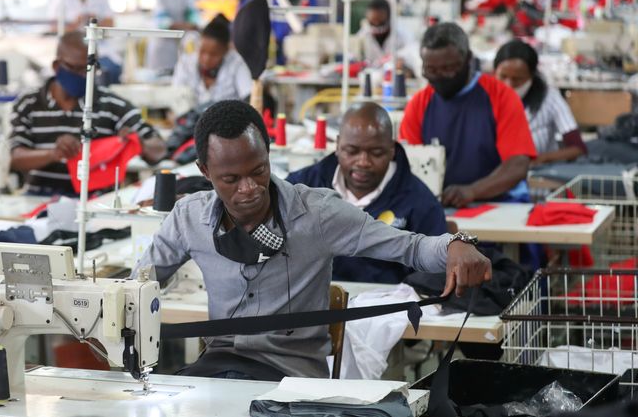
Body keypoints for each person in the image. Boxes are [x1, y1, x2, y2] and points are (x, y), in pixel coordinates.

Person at [134, 100, 491, 380]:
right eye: (230, 179)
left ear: (269, 154)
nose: (248, 189)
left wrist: (455, 244)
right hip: (219, 369)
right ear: (204, 172)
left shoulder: (317, 214)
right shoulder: (189, 218)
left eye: (258, 171)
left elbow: (409, 247)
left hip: (291, 377)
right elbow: (136, 288)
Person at [286, 103, 446, 283]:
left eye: (376, 153)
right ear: (338, 145)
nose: (363, 162)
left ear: (392, 150)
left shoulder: (421, 203)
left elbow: (432, 276)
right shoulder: (301, 187)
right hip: (312, 303)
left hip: (386, 306)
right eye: (352, 151)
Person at [9, 32, 166, 196]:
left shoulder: (112, 105)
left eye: (89, 69)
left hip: (94, 202)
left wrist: (139, 143)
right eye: (75, 68)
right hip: (40, 198)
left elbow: (160, 149)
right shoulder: (29, 103)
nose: (82, 76)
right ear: (56, 66)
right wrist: (53, 154)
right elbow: (15, 158)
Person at [399, 23, 536, 208]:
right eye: (431, 70)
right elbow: (410, 164)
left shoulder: (501, 97)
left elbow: (518, 164)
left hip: (501, 204)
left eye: (448, 68)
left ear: (468, 59)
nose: (440, 76)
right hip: (443, 206)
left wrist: (472, 191)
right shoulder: (419, 104)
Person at [494, 40, 586, 166]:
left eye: (517, 79)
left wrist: (541, 159)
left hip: (535, 180)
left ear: (531, 76)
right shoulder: (483, 98)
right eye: (503, 77)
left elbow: (577, 149)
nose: (508, 85)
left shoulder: (549, 98)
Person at [49, 0, 121, 84]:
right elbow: (53, 27)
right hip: (71, 50)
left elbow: (111, 22)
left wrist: (96, 20)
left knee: (109, 71)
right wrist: (74, 25)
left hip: (100, 49)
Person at [172, 15, 252, 106]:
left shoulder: (237, 64)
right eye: (202, 51)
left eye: (214, 55)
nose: (206, 59)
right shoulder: (186, 63)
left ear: (226, 50)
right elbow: (176, 94)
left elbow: (248, 96)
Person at [356, 0, 415, 72]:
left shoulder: (402, 34)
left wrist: (401, 61)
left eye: (380, 21)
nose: (376, 24)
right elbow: (356, 60)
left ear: (389, 17)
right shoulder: (362, 35)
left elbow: (411, 54)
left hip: (395, 76)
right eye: (373, 21)